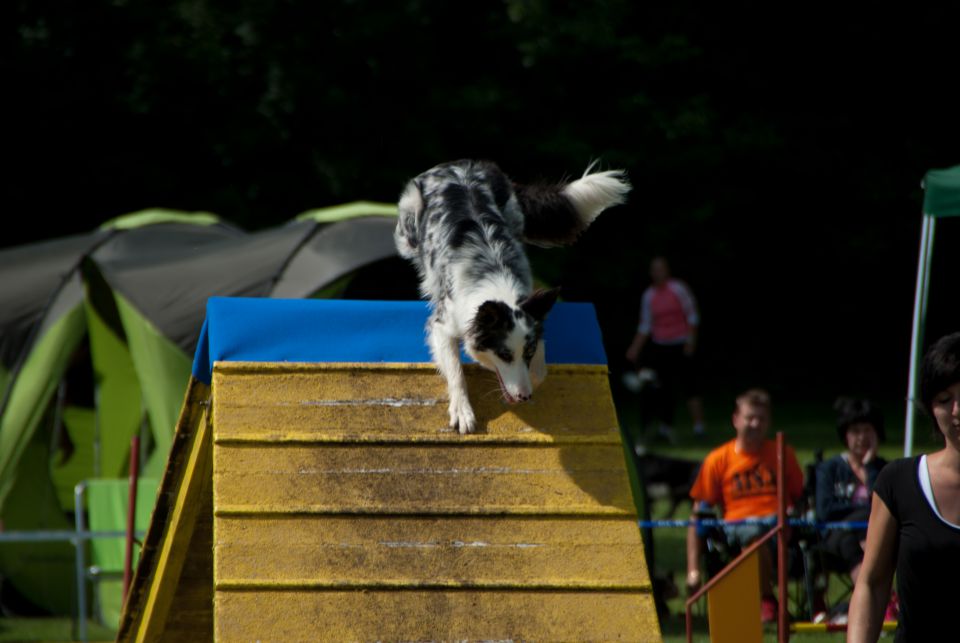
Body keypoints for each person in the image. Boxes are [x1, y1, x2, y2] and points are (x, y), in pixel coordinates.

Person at [848, 332, 960, 643]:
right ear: (930, 408)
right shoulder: (898, 481)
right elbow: (871, 583)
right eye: (944, 399)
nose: (957, 410)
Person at [685, 388, 804, 623]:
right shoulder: (718, 459)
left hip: (780, 527)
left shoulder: (783, 454)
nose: (755, 424)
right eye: (750, 417)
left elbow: (800, 497)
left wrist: (795, 513)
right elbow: (698, 514)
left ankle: (804, 601)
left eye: (761, 418)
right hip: (737, 529)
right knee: (754, 538)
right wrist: (692, 570)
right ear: (736, 420)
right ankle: (767, 599)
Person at [625, 256, 705, 441]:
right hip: (661, 345)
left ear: (667, 271)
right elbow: (645, 325)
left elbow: (692, 314)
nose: (657, 273)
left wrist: (691, 341)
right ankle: (666, 427)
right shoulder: (649, 296)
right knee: (664, 388)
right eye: (654, 270)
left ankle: (699, 427)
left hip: (682, 343)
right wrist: (635, 348)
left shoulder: (678, 289)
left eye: (660, 269)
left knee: (690, 385)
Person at [815, 398, 888, 586]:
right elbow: (825, 510)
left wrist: (870, 467)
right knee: (851, 540)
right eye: (855, 431)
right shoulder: (829, 469)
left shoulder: (884, 469)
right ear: (845, 434)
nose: (862, 437)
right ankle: (875, 595)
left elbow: (887, 503)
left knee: (873, 538)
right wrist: (865, 510)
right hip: (836, 537)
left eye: (867, 431)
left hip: (875, 534)